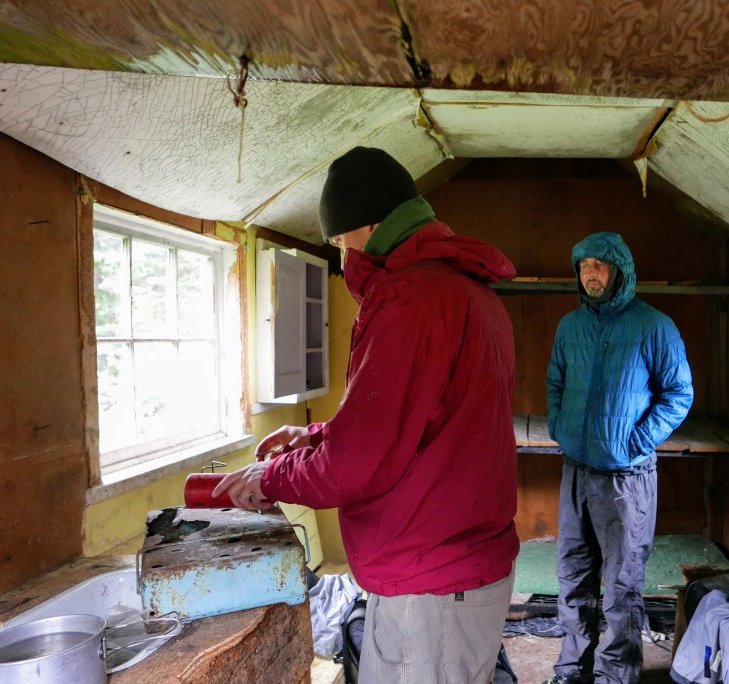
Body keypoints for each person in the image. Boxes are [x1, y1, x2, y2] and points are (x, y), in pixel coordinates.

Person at [213, 146, 520, 683]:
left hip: (428, 580)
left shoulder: (410, 298)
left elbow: (357, 464)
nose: (339, 255)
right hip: (462, 564)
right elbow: (417, 422)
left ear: (369, 226)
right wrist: (315, 436)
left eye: (337, 240)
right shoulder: (469, 292)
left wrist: (273, 476)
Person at [544, 231, 694, 684]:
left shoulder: (653, 326)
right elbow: (554, 381)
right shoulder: (570, 327)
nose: (591, 272)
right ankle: (572, 670)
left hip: (626, 478)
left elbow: (678, 394)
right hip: (576, 472)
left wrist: (634, 442)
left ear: (620, 272)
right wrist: (560, 427)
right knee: (573, 578)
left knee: (622, 585)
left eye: (600, 265)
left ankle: (615, 675)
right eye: (584, 265)